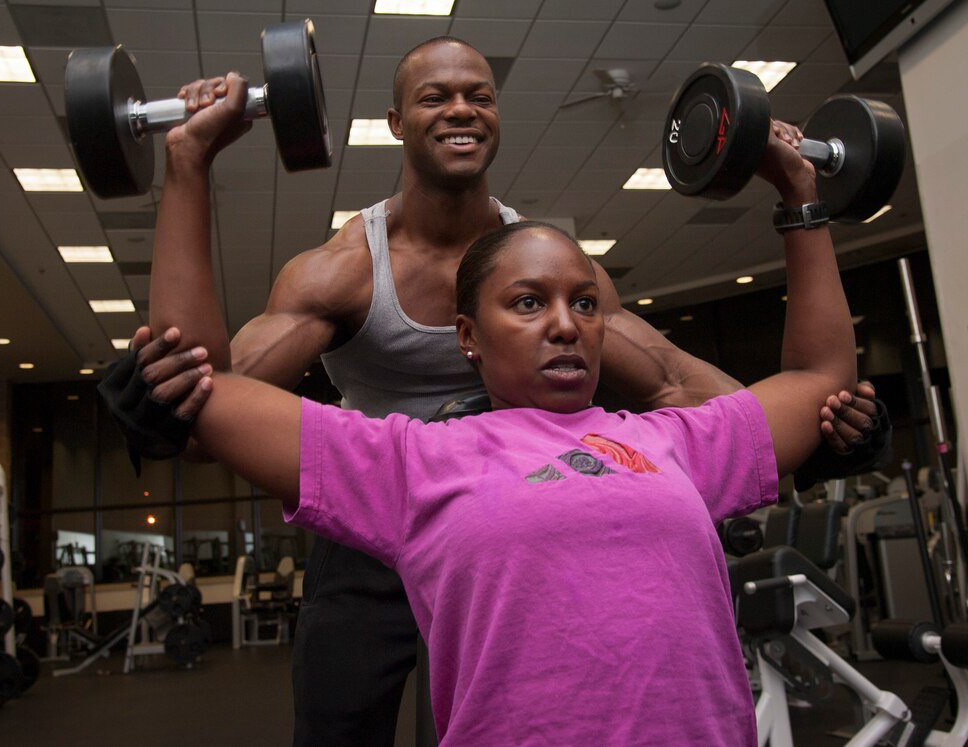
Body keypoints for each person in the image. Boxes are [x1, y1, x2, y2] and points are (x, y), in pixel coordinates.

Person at [124, 36, 884, 745]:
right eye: (436, 97)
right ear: (395, 121)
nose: (461, 110)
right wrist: (188, 165)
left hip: (518, 513)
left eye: (481, 97)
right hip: (381, 506)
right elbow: (202, 399)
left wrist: (827, 425)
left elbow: (691, 385)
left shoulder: (543, 266)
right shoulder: (344, 269)